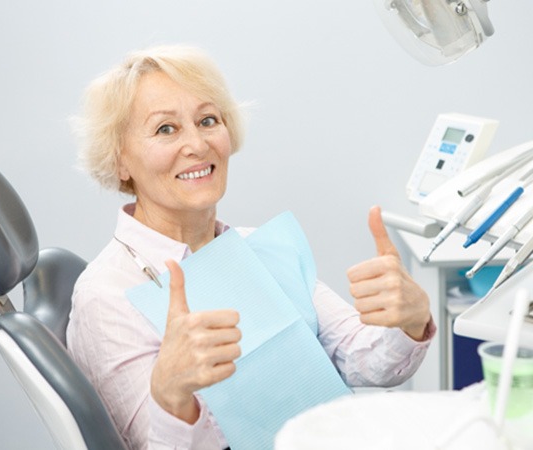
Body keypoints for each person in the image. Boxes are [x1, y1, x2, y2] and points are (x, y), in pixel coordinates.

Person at [67, 44, 435, 450]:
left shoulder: (254, 247)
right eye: (165, 129)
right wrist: (172, 396)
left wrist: (410, 321)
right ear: (120, 160)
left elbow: (362, 357)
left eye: (208, 120)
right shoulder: (106, 296)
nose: (197, 144)